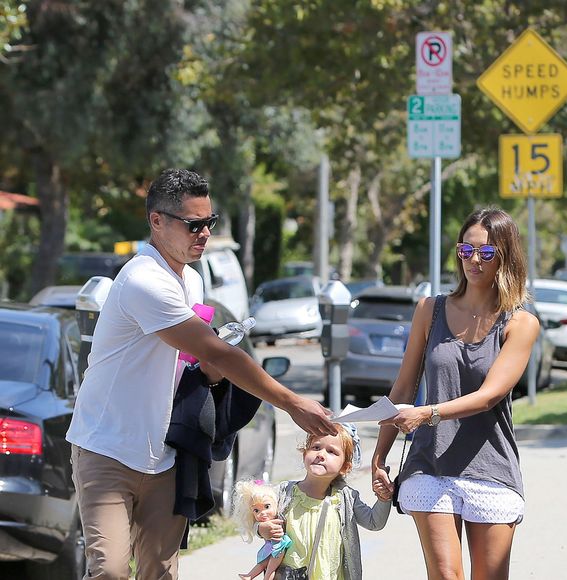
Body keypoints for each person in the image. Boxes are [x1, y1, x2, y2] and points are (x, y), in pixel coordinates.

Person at [66, 168, 336, 580]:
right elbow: (215, 350)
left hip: (166, 454)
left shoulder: (190, 281)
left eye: (208, 223)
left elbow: (197, 362)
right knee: (112, 571)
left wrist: (208, 377)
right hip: (107, 449)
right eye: (194, 225)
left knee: (160, 571)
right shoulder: (143, 279)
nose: (204, 234)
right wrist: (292, 402)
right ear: (157, 221)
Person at [371, 206, 539, 580]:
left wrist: (427, 413)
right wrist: (379, 456)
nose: (473, 260)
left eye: (486, 253)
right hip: (429, 463)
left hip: (490, 466)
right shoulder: (430, 309)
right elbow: (403, 387)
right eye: (466, 250)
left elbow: (489, 396)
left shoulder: (521, 323)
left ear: (505, 257)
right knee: (446, 575)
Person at [258, 423, 392, 580]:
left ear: (345, 467)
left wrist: (383, 497)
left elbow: (374, 522)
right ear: (304, 454)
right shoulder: (283, 493)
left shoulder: (345, 498)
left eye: (331, 452)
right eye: (316, 447)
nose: (321, 454)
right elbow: (255, 515)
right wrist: (261, 529)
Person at [232, 480, 293, 580]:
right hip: (272, 547)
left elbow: (279, 534)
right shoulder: (266, 523)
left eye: (267, 507)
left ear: (276, 504)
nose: (263, 513)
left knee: (270, 568)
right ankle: (249, 576)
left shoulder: (278, 520)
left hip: (279, 548)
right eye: (256, 510)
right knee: (262, 563)